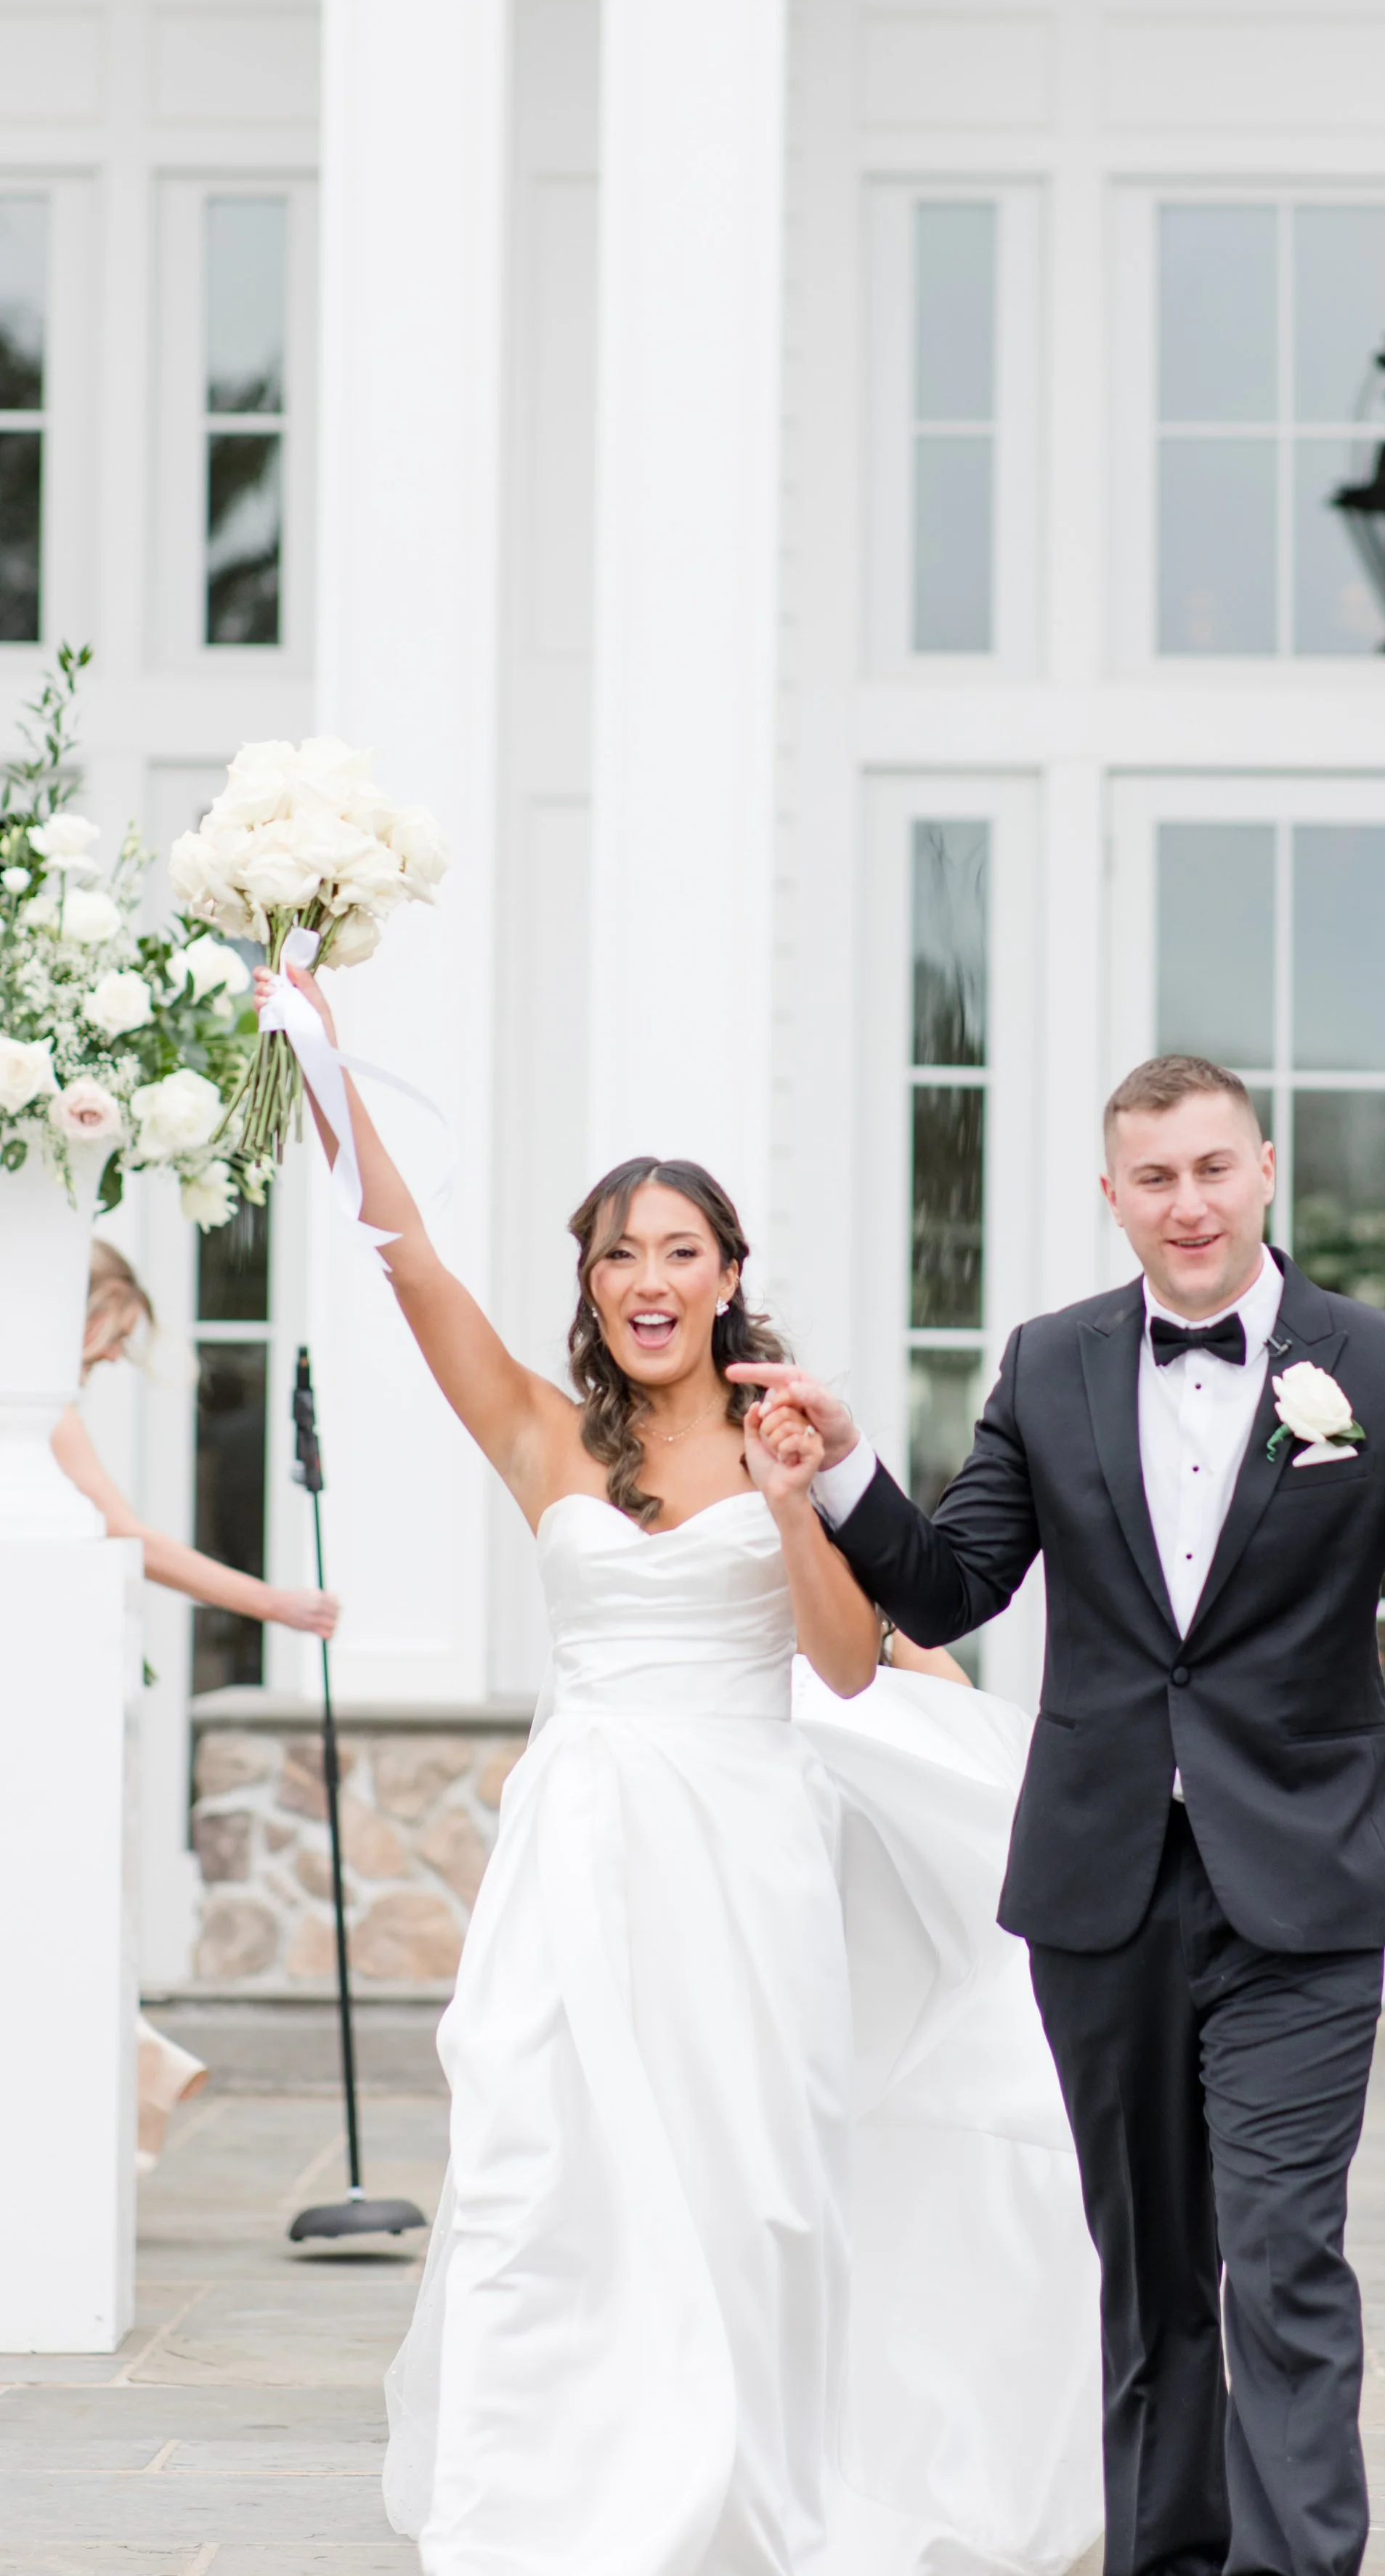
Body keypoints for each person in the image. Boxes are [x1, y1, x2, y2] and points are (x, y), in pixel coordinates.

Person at [252, 957, 1102, 2576]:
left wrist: (791, 1505)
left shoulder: (783, 1434)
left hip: (746, 1838)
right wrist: (325, 1069)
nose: (649, 1279)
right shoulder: (537, 1429)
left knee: (750, 2177)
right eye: (619, 1255)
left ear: (726, 1276)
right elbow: (404, 1255)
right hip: (581, 1837)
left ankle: (747, 2488)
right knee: (541, 2158)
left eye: (679, 1252)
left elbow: (843, 1664)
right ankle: (543, 2497)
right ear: (590, 1284)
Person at [743, 1053, 1385, 2576]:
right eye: (1154, 1178)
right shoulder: (1049, 1362)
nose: (1187, 1203)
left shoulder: (1382, 1363)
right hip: (1103, 1884)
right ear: (1112, 1195)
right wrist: (845, 1471)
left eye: (1211, 1169)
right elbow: (952, 1587)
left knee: (1281, 2256)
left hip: (1301, 1881)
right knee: (1148, 2276)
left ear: (1262, 1170)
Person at [52, 1244, 343, 2171]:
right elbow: (125, 1534)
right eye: (113, 1335)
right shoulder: (40, 1407)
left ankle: (128, 2071)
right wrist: (274, 1603)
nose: (110, 1357)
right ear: (83, 1309)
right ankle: (128, 2071)